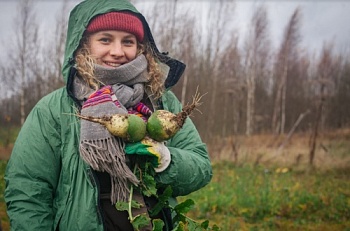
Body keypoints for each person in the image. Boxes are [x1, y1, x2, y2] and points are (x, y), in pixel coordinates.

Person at [4, 0, 212, 230]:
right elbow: (28, 190)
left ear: (140, 47)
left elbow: (201, 168)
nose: (117, 52)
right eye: (105, 39)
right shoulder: (55, 109)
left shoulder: (161, 101)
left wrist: (166, 160)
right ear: (84, 44)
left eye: (128, 41)